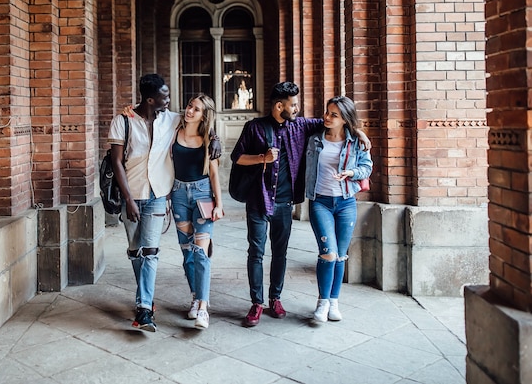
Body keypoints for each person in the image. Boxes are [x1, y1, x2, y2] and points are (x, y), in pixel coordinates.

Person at [231, 81, 371, 327]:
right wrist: (261, 158)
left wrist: (359, 132)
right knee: (256, 252)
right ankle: (256, 303)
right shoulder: (254, 127)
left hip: (284, 202)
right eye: (293, 105)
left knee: (280, 253)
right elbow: (237, 158)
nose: (297, 109)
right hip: (258, 200)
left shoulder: (301, 126)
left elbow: (339, 123)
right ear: (279, 106)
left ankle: (275, 298)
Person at [109, 74, 221, 332]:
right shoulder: (122, 121)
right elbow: (116, 162)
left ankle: (144, 309)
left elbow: (202, 121)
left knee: (150, 252)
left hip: (159, 195)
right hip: (132, 194)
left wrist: (215, 138)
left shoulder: (171, 119)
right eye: (165, 96)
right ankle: (144, 296)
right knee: (135, 251)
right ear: (150, 99)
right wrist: (128, 199)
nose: (171, 101)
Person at [304, 96, 373, 322]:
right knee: (328, 253)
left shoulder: (356, 142)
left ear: (345, 119)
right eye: (327, 112)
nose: (327, 117)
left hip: (346, 203)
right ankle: (322, 302)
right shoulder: (314, 139)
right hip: (320, 202)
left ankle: (334, 301)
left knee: (341, 256)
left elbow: (367, 167)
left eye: (334, 114)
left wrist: (351, 173)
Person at [170, 93, 224, 329]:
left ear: (205, 116)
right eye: (190, 106)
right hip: (179, 195)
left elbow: (213, 174)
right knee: (188, 254)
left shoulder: (207, 140)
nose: (190, 111)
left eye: (197, 109)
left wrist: (220, 204)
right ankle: (195, 297)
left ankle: (203, 307)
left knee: (201, 253)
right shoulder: (174, 130)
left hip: (203, 195)